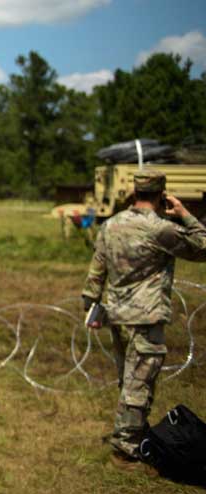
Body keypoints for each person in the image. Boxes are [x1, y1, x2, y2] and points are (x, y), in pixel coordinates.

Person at [82, 169, 206, 470]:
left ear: (135, 192)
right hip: (145, 317)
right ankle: (125, 448)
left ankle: (134, 432)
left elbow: (96, 271)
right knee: (140, 382)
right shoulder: (160, 229)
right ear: (161, 194)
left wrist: (92, 305)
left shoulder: (111, 225)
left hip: (117, 314)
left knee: (129, 378)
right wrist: (186, 214)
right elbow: (202, 246)